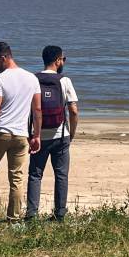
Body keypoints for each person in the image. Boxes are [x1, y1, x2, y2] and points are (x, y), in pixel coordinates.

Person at [0, 41, 42, 227]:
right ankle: (14, 219)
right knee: (16, 177)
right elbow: (37, 110)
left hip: (1, 131)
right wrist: (37, 135)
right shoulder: (31, 78)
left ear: (3, 58)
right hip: (21, 135)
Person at [26, 45, 79, 222]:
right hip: (60, 135)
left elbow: (28, 110)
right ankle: (59, 215)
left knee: (35, 175)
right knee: (61, 175)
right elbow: (73, 110)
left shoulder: (33, 80)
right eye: (63, 58)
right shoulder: (65, 81)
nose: (64, 62)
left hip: (38, 136)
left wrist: (31, 134)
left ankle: (32, 215)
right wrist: (71, 133)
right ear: (57, 60)